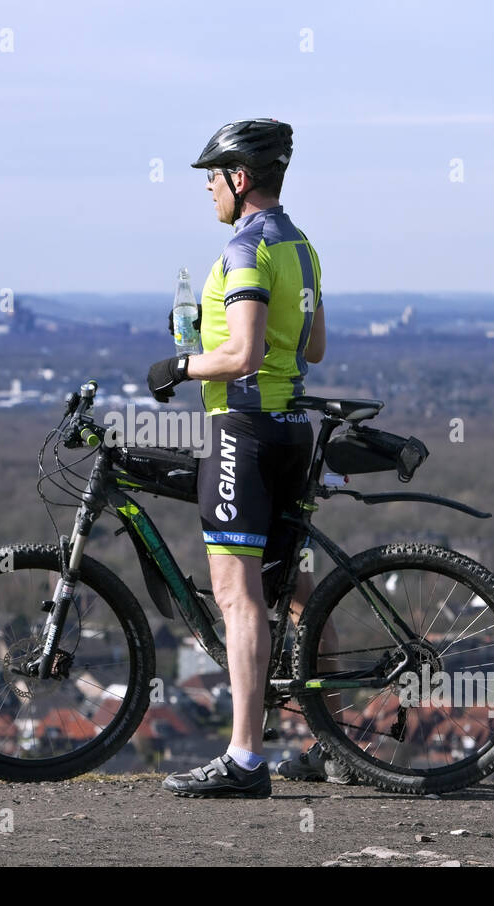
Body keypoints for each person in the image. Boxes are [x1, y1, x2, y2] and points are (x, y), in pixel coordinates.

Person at [146, 118, 351, 796]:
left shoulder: (244, 251)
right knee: (292, 590)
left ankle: (244, 758)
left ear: (240, 179)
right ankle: (336, 742)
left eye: (213, 178)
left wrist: (178, 365)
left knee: (238, 598)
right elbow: (313, 349)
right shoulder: (303, 248)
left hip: (243, 432)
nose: (208, 190)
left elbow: (243, 356)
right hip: (293, 432)